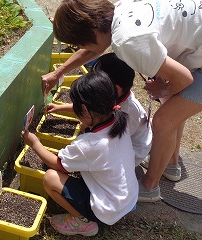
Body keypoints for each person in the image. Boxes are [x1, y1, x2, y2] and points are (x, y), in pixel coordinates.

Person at [42, 0, 202, 202]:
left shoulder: (128, 40)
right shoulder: (116, 14)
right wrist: (58, 73)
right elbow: (94, 47)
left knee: (164, 121)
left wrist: (162, 88)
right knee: (174, 107)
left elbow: (184, 79)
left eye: (81, 44)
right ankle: (171, 164)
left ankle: (150, 187)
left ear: (92, 31)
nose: (83, 49)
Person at [22, 71, 138, 237]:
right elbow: (89, 114)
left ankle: (82, 221)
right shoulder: (120, 119)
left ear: (84, 109)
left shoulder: (90, 144)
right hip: (126, 199)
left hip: (107, 209)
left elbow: (56, 163)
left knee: (50, 178)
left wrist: (34, 143)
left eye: (75, 106)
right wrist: (62, 107)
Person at [46, 52, 152, 167]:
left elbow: (116, 141)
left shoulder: (130, 111)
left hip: (132, 152)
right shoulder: (112, 96)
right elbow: (91, 106)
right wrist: (59, 107)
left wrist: (89, 137)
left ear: (116, 88)